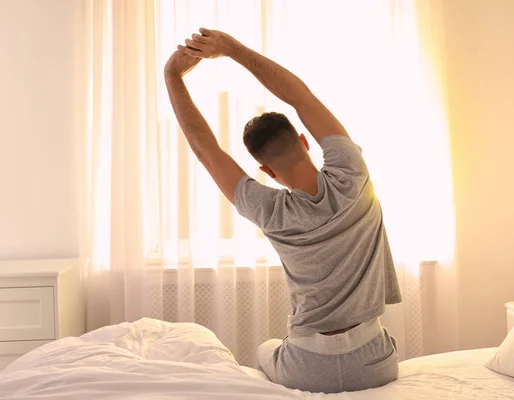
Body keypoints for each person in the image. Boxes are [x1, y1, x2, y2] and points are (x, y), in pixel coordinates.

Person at [164, 27, 402, 394]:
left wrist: (172, 76)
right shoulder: (351, 173)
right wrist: (231, 48)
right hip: (373, 363)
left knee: (265, 349)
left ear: (266, 171)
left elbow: (205, 150)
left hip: (307, 366)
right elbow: (300, 97)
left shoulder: (269, 210)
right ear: (305, 141)